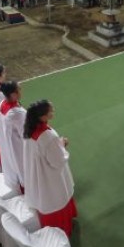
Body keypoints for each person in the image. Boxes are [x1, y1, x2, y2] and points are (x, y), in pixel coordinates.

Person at [22, 100, 77, 237]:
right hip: (50, 177)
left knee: (44, 198)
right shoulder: (48, 136)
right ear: (43, 116)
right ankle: (62, 230)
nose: (53, 112)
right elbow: (57, 160)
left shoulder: (30, 129)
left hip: (37, 172)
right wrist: (62, 145)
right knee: (55, 197)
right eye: (50, 111)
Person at [0, 80, 26, 193]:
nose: (21, 91)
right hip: (18, 145)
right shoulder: (16, 113)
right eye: (19, 89)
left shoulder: (2, 103)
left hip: (9, 141)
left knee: (15, 164)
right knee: (23, 166)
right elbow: (25, 132)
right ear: (13, 94)